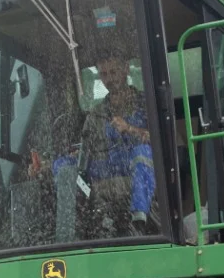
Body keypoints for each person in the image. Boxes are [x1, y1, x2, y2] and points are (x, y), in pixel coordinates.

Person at [50, 54, 157, 239]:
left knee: (142, 152)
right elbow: (86, 152)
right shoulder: (95, 115)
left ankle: (138, 220)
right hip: (105, 168)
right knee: (63, 163)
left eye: (114, 72)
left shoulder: (148, 104)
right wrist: (47, 166)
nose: (110, 79)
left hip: (137, 168)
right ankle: (67, 231)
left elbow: (163, 143)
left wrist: (130, 129)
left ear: (125, 70)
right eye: (104, 74)